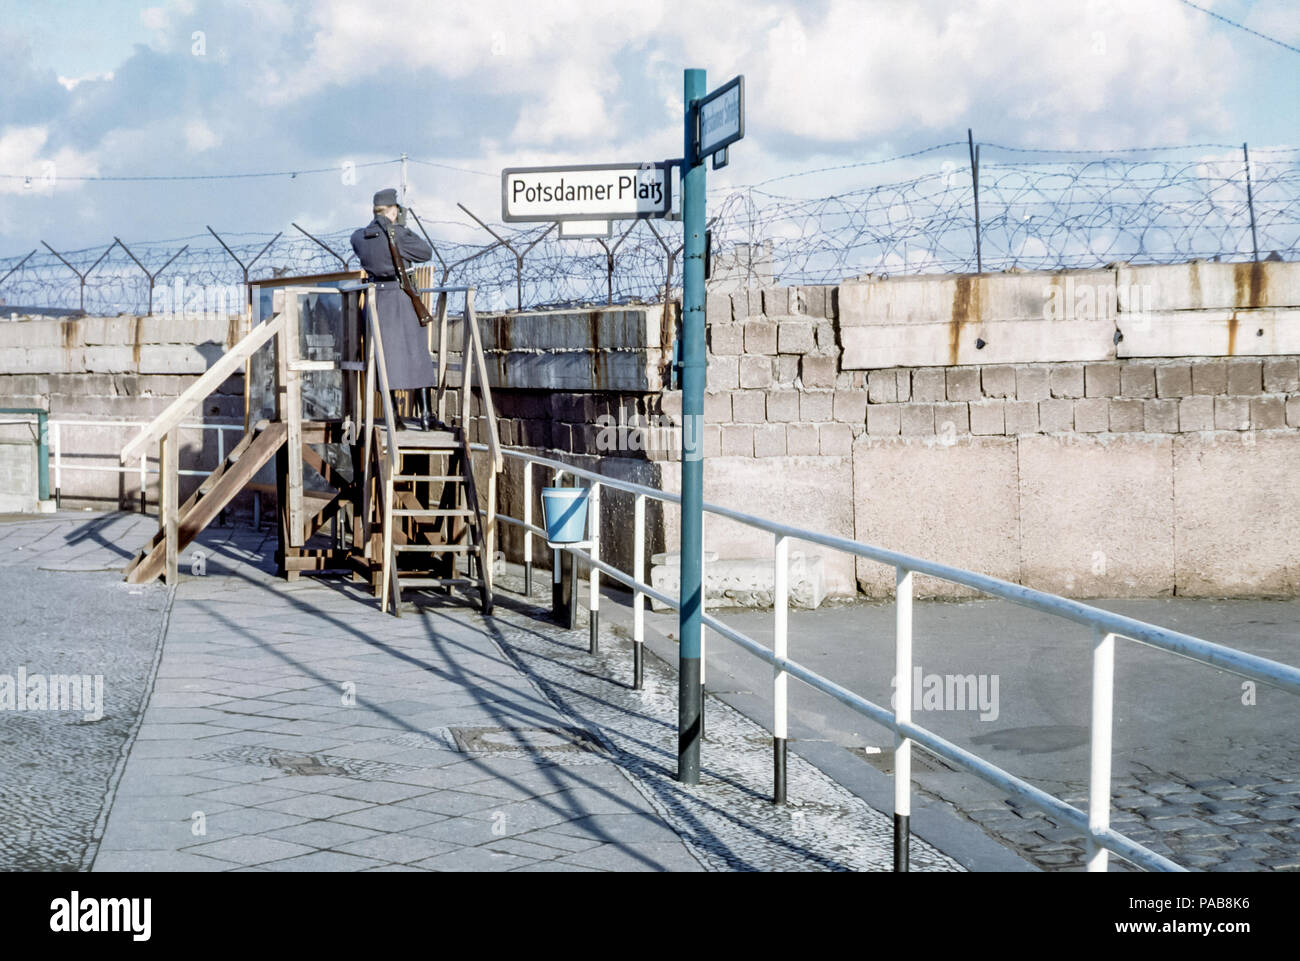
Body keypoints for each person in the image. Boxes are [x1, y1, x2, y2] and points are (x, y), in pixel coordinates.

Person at [350, 188, 437, 429]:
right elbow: (425, 252)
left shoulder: (358, 237)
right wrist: (402, 227)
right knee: (417, 354)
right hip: (401, 297)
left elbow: (365, 249)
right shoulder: (398, 234)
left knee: (382, 358)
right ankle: (427, 416)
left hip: (376, 300)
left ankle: (394, 418)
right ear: (393, 210)